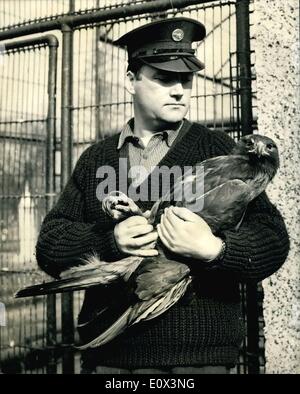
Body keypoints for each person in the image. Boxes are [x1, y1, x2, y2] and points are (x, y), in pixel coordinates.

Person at [36, 17, 290, 374]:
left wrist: (216, 249)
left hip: (199, 363)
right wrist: (110, 240)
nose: (179, 90)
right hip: (111, 360)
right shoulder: (96, 158)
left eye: (185, 80)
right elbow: (50, 246)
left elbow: (273, 241)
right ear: (131, 81)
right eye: (164, 78)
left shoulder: (221, 150)